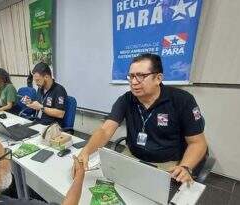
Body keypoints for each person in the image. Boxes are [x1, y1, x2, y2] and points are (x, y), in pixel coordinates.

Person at [76, 53, 208, 183]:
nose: (134, 82)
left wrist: (185, 167)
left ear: (158, 78)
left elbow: (198, 143)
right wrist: (86, 151)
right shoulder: (126, 99)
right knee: (110, 189)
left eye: (141, 76)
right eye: (131, 76)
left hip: (167, 164)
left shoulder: (182, 100)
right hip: (132, 156)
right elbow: (105, 130)